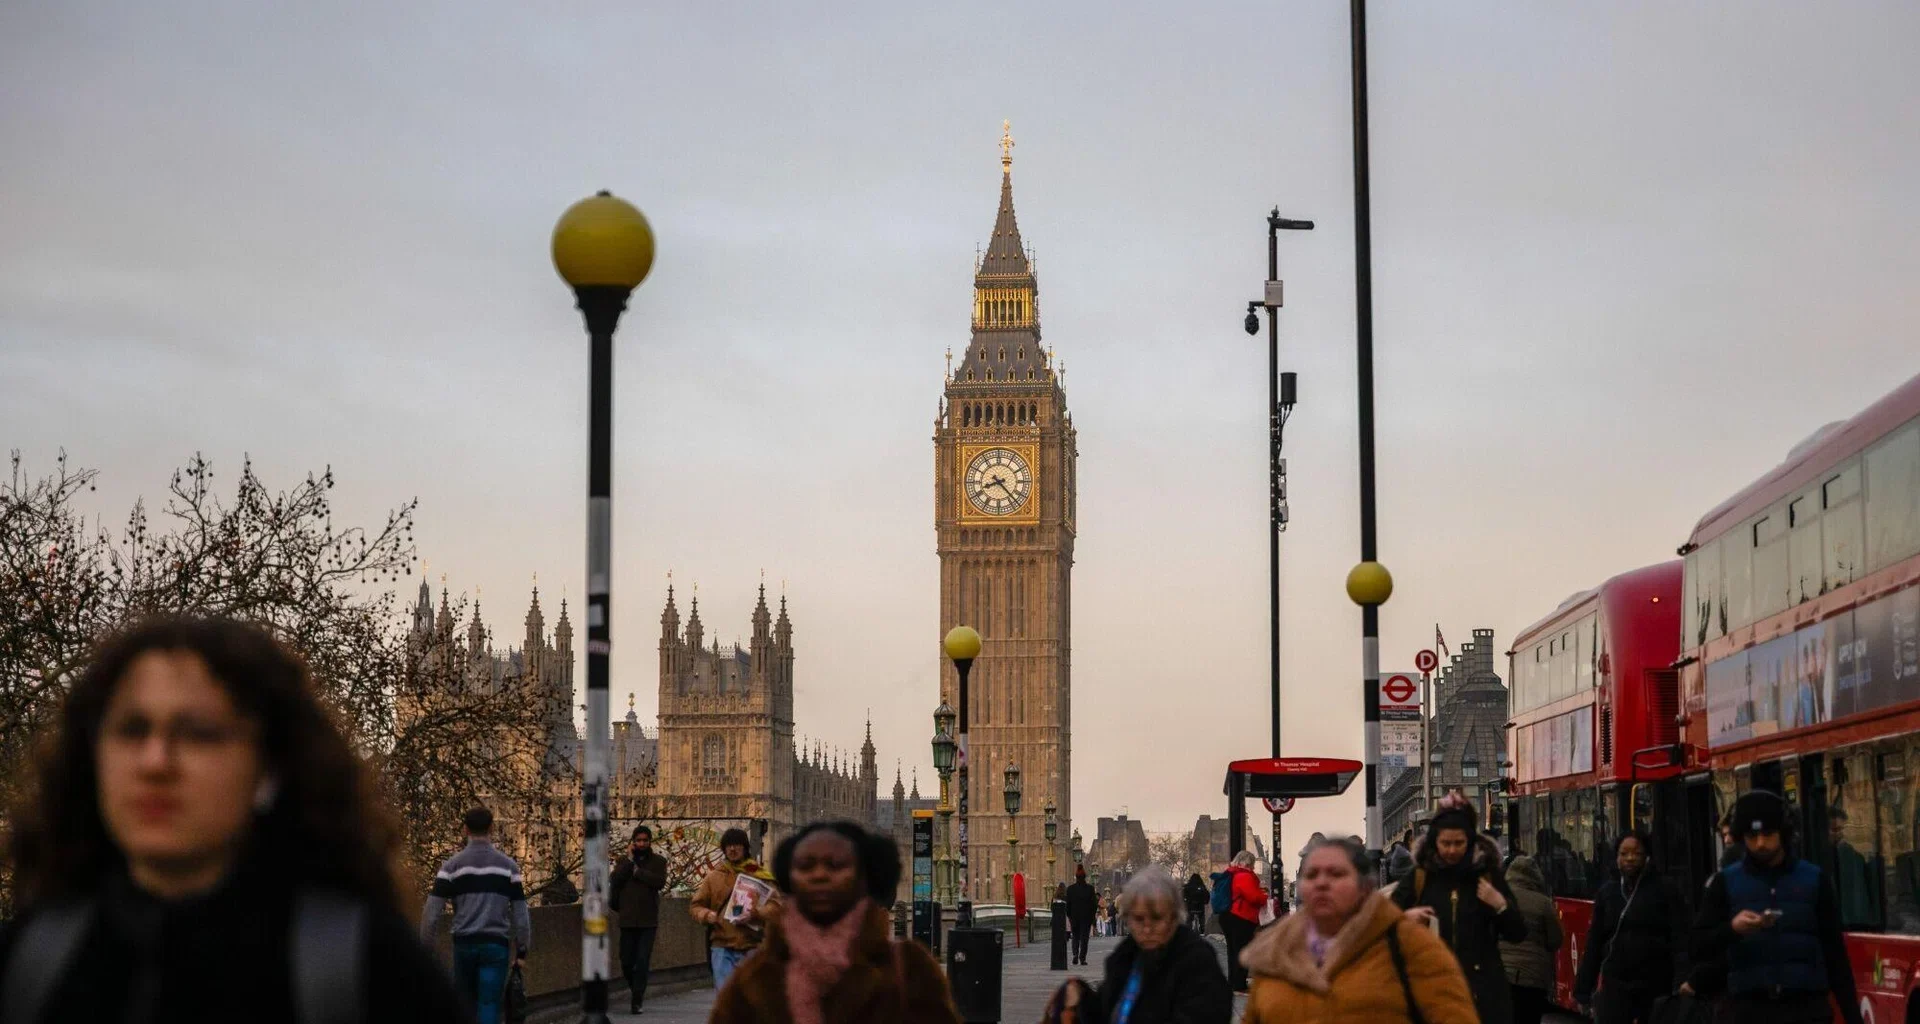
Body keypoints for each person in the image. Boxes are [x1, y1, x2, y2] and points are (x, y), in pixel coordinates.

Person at [0, 617, 468, 1024]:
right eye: (132, 729)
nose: (155, 761)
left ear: (269, 766)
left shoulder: (369, 972)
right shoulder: (30, 964)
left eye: (198, 733)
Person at [706, 820, 959, 1024]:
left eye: (835, 865)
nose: (819, 874)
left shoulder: (908, 968)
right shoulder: (757, 976)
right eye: (806, 865)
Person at [1242, 835, 1477, 1024]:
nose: (1322, 882)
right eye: (1311, 875)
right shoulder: (1277, 953)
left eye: (1336, 873)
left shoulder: (1410, 945)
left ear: (1365, 886)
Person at [1692, 790, 1863, 1024]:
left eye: (1768, 834)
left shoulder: (1813, 879)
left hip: (1806, 1009)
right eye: (1752, 836)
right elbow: (1698, 945)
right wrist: (1732, 929)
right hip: (1749, 1010)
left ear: (1783, 834)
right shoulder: (1725, 882)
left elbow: (1835, 954)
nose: (1760, 843)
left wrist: (1853, 1015)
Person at [1392, 797, 1527, 1024]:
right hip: (1431, 992)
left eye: (1459, 843)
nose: (1452, 850)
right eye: (1445, 843)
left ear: (1470, 842)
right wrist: (1404, 919)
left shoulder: (1487, 876)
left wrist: (1500, 905)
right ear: (1434, 842)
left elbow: (1518, 933)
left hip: (1482, 995)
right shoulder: (1420, 877)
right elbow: (1381, 924)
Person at [423, 806, 534, 1024]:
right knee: (489, 1005)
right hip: (496, 945)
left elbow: (431, 913)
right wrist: (522, 951)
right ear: (492, 828)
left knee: (464, 1004)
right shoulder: (508, 867)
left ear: (465, 830)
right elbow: (521, 914)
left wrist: (425, 950)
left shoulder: (451, 866)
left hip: (464, 943)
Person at [1089, 868, 1232, 1023]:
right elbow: (1105, 1010)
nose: (1147, 928)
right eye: (1138, 919)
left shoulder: (1197, 961)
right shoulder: (1124, 957)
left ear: (1173, 918)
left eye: (1156, 918)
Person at [1573, 831, 1688, 1024]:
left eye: (1636, 853)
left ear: (1647, 857)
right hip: (1615, 985)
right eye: (1624, 854)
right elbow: (1594, 943)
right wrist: (1583, 990)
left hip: (1656, 983)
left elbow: (1680, 938)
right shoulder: (1607, 893)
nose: (1630, 859)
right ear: (1616, 858)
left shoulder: (1665, 889)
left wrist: (1681, 981)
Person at [690, 826, 777, 991]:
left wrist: (756, 913)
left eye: (737, 845)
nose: (732, 848)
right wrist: (705, 914)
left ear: (745, 848)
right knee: (726, 998)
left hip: (752, 945)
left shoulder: (760, 875)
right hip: (722, 945)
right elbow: (696, 905)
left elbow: (776, 906)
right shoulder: (714, 877)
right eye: (729, 845)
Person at [610, 823, 669, 1014]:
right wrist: (628, 861)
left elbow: (659, 882)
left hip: (647, 920)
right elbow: (616, 880)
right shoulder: (624, 861)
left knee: (642, 961)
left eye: (645, 840)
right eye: (638, 841)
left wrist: (638, 873)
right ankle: (635, 988)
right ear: (633, 842)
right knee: (626, 961)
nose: (642, 844)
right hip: (627, 919)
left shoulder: (658, 861)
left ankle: (637, 999)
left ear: (650, 842)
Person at [1498, 855, 1563, 1024]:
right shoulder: (1543, 903)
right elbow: (1555, 939)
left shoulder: (1499, 898)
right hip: (1534, 978)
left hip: (1503, 974)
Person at [1221, 850, 1267, 994]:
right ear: (1247, 863)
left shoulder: (1231, 873)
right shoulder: (1244, 876)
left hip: (1229, 916)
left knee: (1232, 951)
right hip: (1241, 917)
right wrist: (1264, 896)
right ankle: (1239, 984)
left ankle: (1233, 982)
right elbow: (1254, 897)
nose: (1253, 868)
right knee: (1242, 950)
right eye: (1252, 864)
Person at [1066, 865, 1098, 964]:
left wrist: (1070, 916)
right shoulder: (1090, 889)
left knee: (1075, 937)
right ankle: (1082, 957)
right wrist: (1092, 917)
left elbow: (1068, 905)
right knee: (1084, 938)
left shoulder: (1070, 889)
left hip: (1075, 917)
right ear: (1085, 877)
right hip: (1086, 918)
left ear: (1076, 877)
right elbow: (1094, 905)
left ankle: (1075, 954)